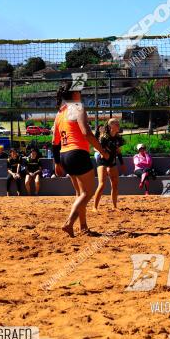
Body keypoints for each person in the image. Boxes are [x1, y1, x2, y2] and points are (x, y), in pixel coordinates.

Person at [51, 81, 107, 236]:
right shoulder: (77, 107)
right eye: (80, 91)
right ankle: (69, 223)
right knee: (87, 193)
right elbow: (86, 133)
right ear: (75, 94)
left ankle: (83, 227)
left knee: (80, 193)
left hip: (64, 155)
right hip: (77, 153)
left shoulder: (60, 112)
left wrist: (56, 162)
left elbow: (54, 142)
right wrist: (102, 151)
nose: (81, 93)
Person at [93, 118, 125, 210]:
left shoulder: (118, 138)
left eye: (118, 123)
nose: (119, 125)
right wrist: (104, 153)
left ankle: (115, 206)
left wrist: (122, 163)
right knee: (102, 184)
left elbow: (118, 151)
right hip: (102, 160)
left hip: (112, 161)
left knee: (115, 184)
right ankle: (95, 207)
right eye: (116, 124)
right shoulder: (104, 137)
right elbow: (96, 148)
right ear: (111, 126)